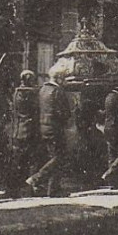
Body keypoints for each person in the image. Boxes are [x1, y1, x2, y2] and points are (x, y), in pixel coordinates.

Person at [26, 69, 72, 197]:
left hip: (43, 127)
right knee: (60, 157)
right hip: (55, 128)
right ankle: (37, 178)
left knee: (53, 157)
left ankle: (53, 189)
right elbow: (64, 112)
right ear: (58, 78)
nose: (65, 81)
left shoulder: (43, 89)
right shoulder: (58, 91)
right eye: (64, 78)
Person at [9, 70, 40, 197]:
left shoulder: (16, 93)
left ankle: (15, 189)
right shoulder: (30, 93)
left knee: (18, 161)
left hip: (17, 131)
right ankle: (29, 189)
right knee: (32, 160)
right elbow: (36, 110)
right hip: (29, 130)